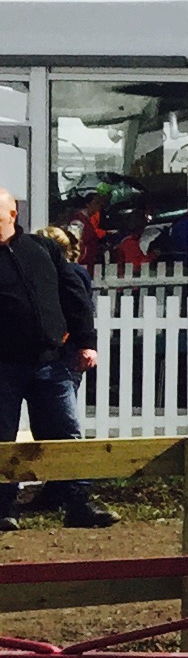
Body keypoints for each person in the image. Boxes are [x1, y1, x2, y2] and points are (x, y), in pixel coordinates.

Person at [0, 189, 114, 531]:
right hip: (3, 366)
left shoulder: (43, 248)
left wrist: (86, 342)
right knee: (2, 438)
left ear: (12, 214)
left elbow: (73, 296)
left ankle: (78, 504)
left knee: (65, 435)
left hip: (51, 362)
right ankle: (4, 508)